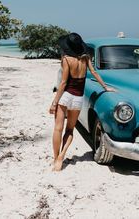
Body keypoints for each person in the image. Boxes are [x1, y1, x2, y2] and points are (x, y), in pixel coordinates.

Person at [49, 33, 118, 171]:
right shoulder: (86, 58)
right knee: (70, 129)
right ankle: (62, 155)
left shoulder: (66, 59)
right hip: (78, 98)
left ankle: (56, 159)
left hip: (66, 96)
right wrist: (105, 87)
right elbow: (95, 73)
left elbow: (63, 83)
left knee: (58, 128)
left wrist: (54, 102)